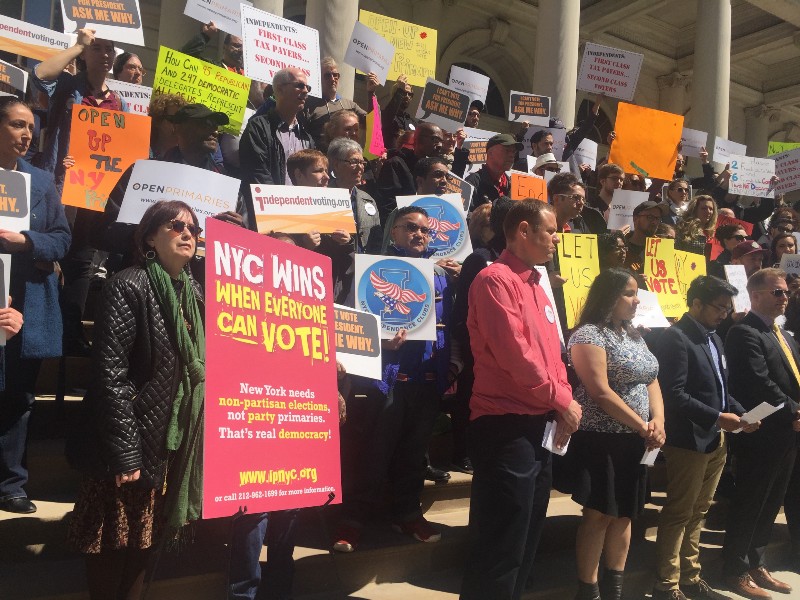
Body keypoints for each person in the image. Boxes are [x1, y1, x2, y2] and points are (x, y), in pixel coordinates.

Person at [68, 200, 204, 600]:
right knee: (112, 544)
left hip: (167, 442)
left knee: (143, 543)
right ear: (148, 236)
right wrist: (127, 453)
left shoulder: (194, 293)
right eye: (175, 225)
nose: (187, 234)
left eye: (193, 229)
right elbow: (109, 375)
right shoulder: (127, 284)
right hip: (124, 444)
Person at [461, 200, 581, 600]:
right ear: (525, 230)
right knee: (501, 541)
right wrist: (562, 400)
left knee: (527, 535)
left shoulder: (537, 282)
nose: (556, 239)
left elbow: (554, 352)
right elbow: (516, 356)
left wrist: (560, 399)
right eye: (551, 231)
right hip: (505, 425)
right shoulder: (495, 279)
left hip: (539, 423)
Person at [333, 206, 454, 552]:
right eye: (410, 228)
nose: (419, 235)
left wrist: (452, 369)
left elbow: (453, 326)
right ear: (393, 232)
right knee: (372, 455)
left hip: (426, 380)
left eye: (426, 231)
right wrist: (379, 341)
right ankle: (351, 521)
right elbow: (347, 325)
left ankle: (406, 514)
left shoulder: (443, 276)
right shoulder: (372, 270)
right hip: (385, 381)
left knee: (414, 456)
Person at [652, 276, 757, 600]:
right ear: (696, 303)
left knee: (699, 512)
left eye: (728, 308)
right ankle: (667, 585)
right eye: (718, 307)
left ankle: (690, 576)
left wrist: (741, 413)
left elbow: (721, 390)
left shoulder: (714, 338)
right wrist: (717, 417)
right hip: (688, 442)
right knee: (679, 512)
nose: (724, 314)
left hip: (716, 441)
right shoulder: (676, 338)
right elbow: (675, 394)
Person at [567, 268, 665, 600]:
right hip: (601, 438)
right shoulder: (588, 335)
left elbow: (652, 378)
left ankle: (615, 588)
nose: (637, 300)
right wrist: (642, 425)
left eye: (637, 292)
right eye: (629, 293)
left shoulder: (636, 334)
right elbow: (600, 391)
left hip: (637, 440)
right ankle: (589, 589)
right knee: (598, 514)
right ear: (608, 296)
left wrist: (659, 422)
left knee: (625, 514)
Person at [32, 28, 128, 357]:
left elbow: (121, 148)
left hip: (95, 192)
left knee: (82, 264)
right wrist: (77, 45)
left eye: (109, 49)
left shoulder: (119, 102)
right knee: (49, 256)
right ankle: (41, 331)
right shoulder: (69, 87)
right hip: (62, 187)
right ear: (86, 55)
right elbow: (40, 75)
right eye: (97, 48)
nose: (104, 54)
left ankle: (70, 335)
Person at [0, 97, 71, 514]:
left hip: (30, 302)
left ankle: (12, 483)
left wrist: (24, 240)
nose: (27, 135)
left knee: (20, 396)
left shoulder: (42, 183)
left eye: (31, 127)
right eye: (16, 125)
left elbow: (62, 239)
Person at [722, 268, 800, 598]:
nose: (785, 298)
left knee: (771, 502)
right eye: (777, 292)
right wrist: (794, 409)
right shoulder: (744, 332)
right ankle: (734, 568)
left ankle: (756, 562)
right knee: (751, 500)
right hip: (761, 430)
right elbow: (758, 382)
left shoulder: (784, 335)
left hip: (787, 433)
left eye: (786, 292)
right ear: (754, 296)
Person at [240, 68, 314, 202]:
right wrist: (282, 206)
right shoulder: (258, 128)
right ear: (280, 89)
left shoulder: (306, 137)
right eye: (299, 85)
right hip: (268, 213)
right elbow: (257, 175)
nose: (305, 91)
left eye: (308, 87)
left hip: (301, 214)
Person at [376, 122, 449, 221]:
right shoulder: (396, 164)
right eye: (435, 139)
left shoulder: (432, 169)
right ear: (418, 139)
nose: (440, 145)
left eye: (441, 141)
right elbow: (387, 204)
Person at [304, 57, 370, 147]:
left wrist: (371, 92)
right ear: (318, 78)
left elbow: (372, 123)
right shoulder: (308, 104)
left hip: (347, 157)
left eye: (335, 75)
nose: (332, 79)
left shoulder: (350, 105)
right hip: (321, 158)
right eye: (327, 75)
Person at [465, 134, 521, 210]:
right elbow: (465, 216)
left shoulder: (512, 185)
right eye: (507, 150)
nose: (512, 155)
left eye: (514, 152)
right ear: (490, 153)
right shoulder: (473, 182)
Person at [624, 201, 663, 275]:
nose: (654, 222)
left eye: (657, 218)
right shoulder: (621, 247)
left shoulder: (662, 248)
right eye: (650, 217)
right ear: (635, 219)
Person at [148, 94, 188, 159]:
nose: (179, 125)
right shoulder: (142, 149)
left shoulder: (188, 157)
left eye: (183, 120)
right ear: (158, 121)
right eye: (174, 119)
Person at [381, 74, 415, 150]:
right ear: (395, 94)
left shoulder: (411, 121)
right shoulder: (386, 114)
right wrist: (400, 90)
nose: (407, 96)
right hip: (391, 158)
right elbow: (389, 114)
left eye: (410, 94)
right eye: (404, 93)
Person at [585, 164, 624, 229]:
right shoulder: (590, 207)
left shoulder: (622, 210)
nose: (619, 182)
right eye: (614, 178)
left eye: (621, 179)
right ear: (603, 181)